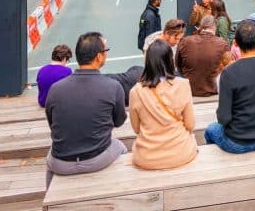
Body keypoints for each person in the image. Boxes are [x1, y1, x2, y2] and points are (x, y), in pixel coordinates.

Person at [44, 32, 127, 188]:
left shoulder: (55, 89)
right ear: (99, 57)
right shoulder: (113, 87)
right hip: (97, 158)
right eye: (105, 51)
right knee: (121, 148)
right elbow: (119, 121)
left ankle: (49, 197)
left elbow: (52, 123)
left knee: (49, 159)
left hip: (61, 163)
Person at [205, 20, 255, 153]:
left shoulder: (229, 73)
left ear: (235, 43)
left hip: (236, 141)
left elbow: (223, 118)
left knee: (211, 129)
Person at [128, 39, 197, 170]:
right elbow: (190, 125)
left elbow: (136, 129)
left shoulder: (135, 91)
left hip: (146, 158)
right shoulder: (183, 85)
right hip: (181, 153)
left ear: (147, 62)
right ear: (170, 60)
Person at [175, 14, 230, 97]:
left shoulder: (185, 41)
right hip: (213, 91)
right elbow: (228, 69)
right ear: (214, 27)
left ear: (201, 26)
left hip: (190, 90)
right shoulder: (222, 44)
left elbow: (178, 64)